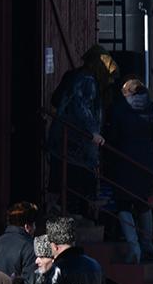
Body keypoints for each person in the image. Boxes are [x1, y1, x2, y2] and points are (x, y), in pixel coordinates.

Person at [47, 45, 118, 216]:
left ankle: (62, 211)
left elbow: (56, 99)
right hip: (76, 143)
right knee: (76, 181)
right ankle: (73, 216)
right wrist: (93, 131)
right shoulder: (88, 80)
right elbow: (82, 107)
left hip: (65, 139)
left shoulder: (74, 75)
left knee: (64, 179)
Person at [105, 77, 153, 263]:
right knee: (142, 202)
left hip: (124, 161)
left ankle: (134, 248)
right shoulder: (152, 107)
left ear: (126, 92)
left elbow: (113, 135)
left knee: (123, 202)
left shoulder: (120, 108)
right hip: (147, 162)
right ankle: (148, 246)